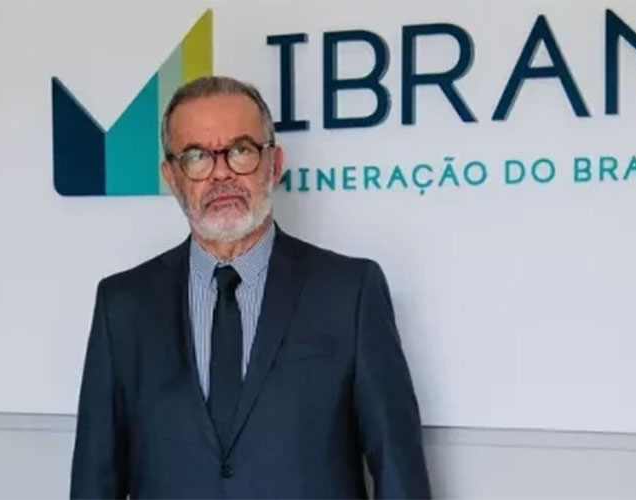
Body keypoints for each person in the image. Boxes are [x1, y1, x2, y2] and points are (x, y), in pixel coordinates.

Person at [70, 75, 432, 498]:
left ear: (273, 164)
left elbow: (399, 471)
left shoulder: (350, 292)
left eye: (241, 150)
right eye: (197, 156)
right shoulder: (122, 306)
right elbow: (94, 480)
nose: (221, 173)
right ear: (171, 176)